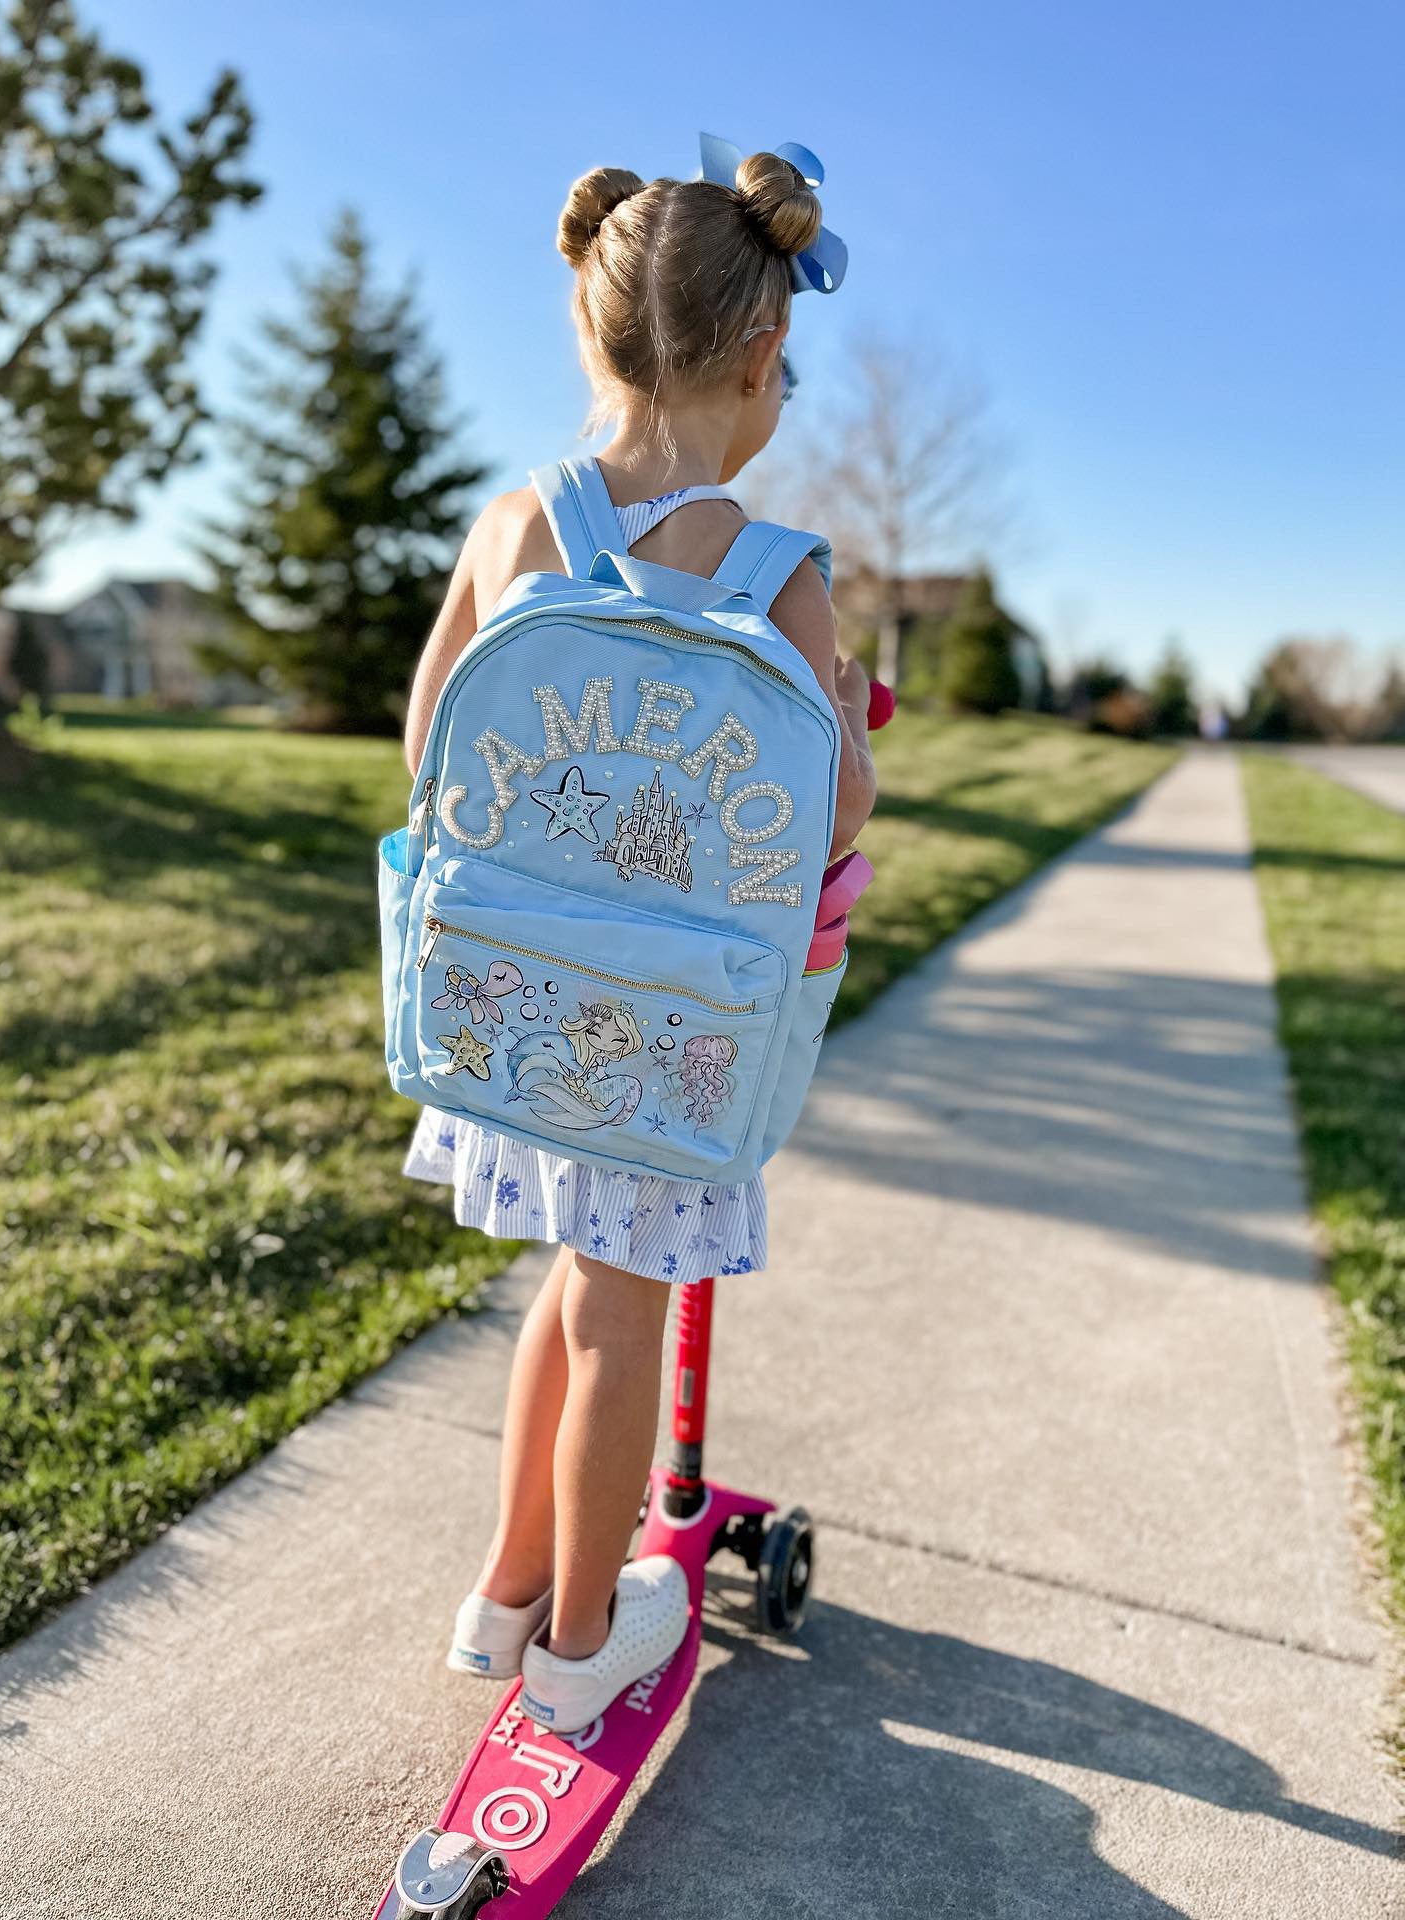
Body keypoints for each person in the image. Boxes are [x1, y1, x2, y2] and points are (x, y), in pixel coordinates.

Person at [400, 149, 877, 1733]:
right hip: (674, 1032)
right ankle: (587, 1637)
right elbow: (835, 814)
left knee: (567, 1286)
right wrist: (843, 708)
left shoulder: (512, 522)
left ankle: (505, 1581)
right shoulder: (779, 578)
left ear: (593, 339)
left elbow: (428, 751)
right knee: (619, 1305)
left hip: (509, 1002)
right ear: (759, 361)